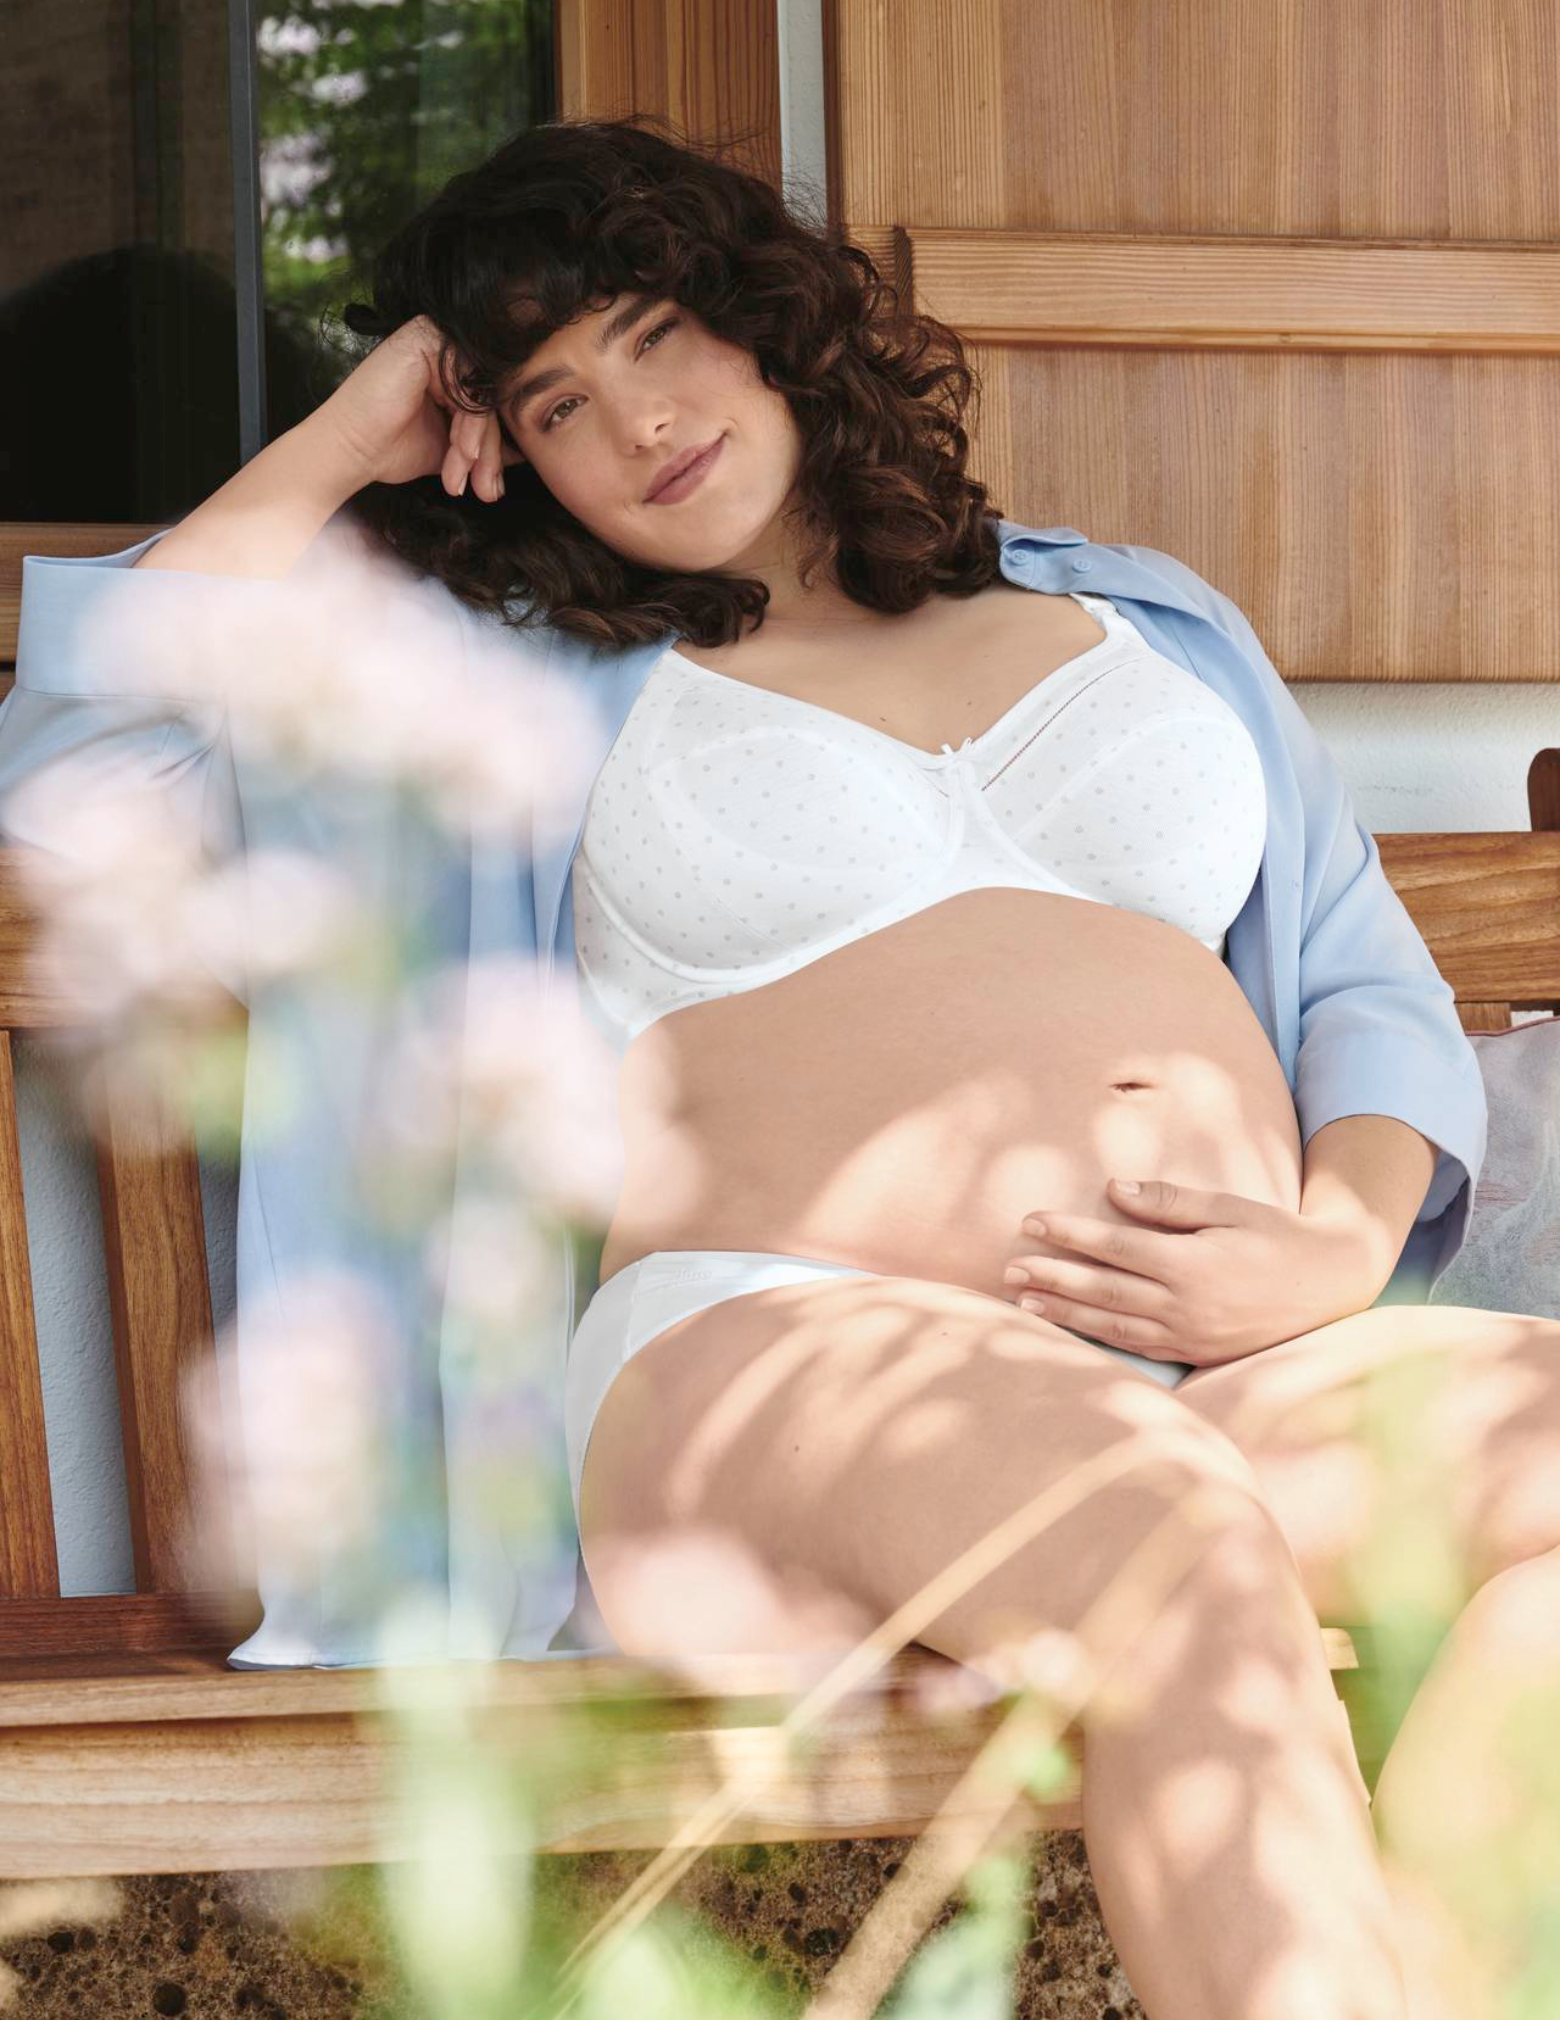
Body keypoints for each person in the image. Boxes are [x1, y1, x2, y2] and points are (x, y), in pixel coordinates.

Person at [6, 112, 1558, 2020]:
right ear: (505, 452)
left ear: (770, 319)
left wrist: (1332, 1243)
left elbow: (1363, 985)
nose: (638, 420)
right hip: (775, 1356)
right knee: (1172, 1558)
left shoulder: (1147, 616)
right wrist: (350, 434)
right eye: (557, 404)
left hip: (1210, 1370)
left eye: (657, 333)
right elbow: (76, 790)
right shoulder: (501, 680)